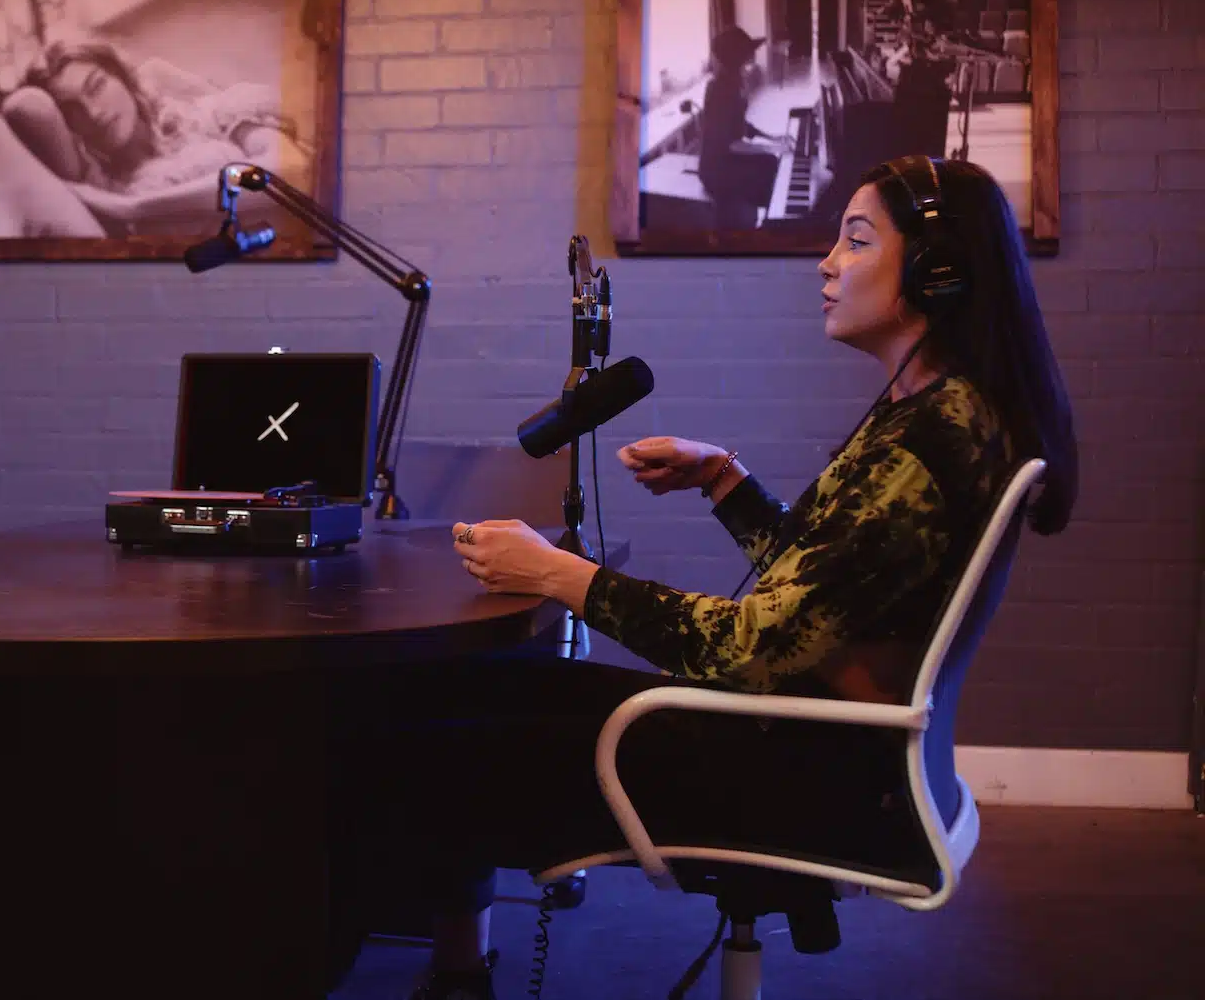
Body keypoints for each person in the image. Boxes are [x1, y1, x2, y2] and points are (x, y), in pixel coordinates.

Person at [332, 158, 1077, 1000]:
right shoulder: (949, 413)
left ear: (937, 275)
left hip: (799, 768)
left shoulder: (923, 442)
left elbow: (747, 649)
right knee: (487, 684)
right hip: (818, 745)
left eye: (857, 240)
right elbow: (824, 589)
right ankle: (459, 970)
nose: (827, 262)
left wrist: (557, 575)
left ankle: (401, 969)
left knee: (428, 745)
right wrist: (723, 478)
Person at [0, 37, 309, 238]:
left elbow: (291, 171)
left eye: (97, 86)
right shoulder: (106, 188)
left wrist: (139, 209)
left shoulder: (211, 113)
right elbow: (26, 108)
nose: (94, 113)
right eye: (73, 112)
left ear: (123, 77)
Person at [695, 26, 793, 230]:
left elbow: (740, 126)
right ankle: (771, 226)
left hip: (726, 159)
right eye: (749, 51)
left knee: (769, 163)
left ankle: (769, 220)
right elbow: (732, 144)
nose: (753, 54)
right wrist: (771, 149)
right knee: (769, 166)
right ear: (737, 58)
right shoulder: (721, 90)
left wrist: (773, 138)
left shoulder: (732, 82)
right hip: (715, 170)